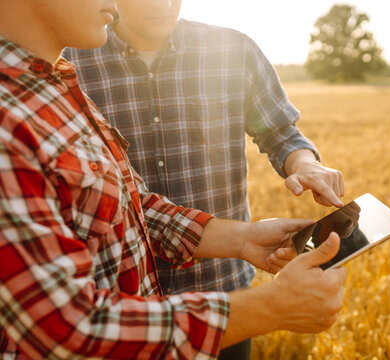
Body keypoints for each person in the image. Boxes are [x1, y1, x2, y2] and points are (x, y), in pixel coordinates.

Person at [0, 1, 348, 359]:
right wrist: (269, 308)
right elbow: (65, 328)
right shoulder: (10, 116)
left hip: (199, 299)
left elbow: (129, 205)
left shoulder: (53, 81)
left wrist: (242, 238)